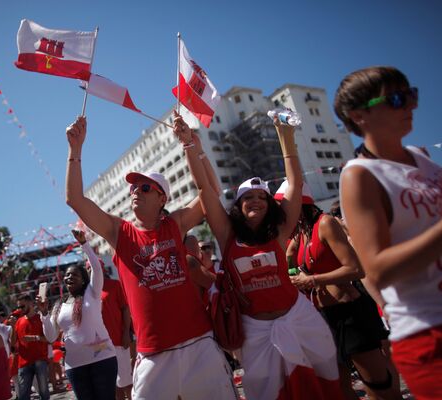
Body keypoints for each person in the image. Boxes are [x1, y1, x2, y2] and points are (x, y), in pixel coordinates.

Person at [65, 114, 238, 399]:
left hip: (199, 347)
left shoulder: (176, 224)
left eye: (145, 188)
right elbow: (75, 199)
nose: (136, 191)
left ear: (162, 199)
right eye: (133, 188)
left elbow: (211, 192)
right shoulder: (119, 232)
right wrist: (75, 149)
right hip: (152, 356)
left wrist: (191, 146)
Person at [179, 112, 343, 399]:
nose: (255, 200)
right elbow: (205, 189)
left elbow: (294, 184)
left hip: (299, 321)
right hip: (255, 332)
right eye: (248, 198)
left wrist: (286, 136)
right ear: (238, 206)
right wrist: (190, 146)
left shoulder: (279, 232)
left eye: (261, 197)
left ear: (270, 204)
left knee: (322, 389)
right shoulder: (227, 235)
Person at [336, 66, 442, 399]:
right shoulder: (359, 175)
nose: (410, 105)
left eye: (411, 95)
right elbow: (377, 269)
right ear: (359, 116)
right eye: (397, 98)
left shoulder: (425, 162)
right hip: (428, 332)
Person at [281, 182, 399, 399]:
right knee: (339, 388)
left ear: (300, 203)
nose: (282, 213)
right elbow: (292, 260)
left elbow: (355, 269)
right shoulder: (301, 233)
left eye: (284, 206)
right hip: (325, 319)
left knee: (378, 386)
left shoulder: (325, 223)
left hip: (349, 313)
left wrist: (313, 280)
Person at [40, 229, 118, 399]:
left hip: (102, 360)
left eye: (74, 274)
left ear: (83, 279)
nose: (69, 277)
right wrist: (44, 314)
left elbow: (96, 268)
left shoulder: (92, 293)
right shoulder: (58, 306)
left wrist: (84, 244)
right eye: (67, 275)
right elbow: (51, 337)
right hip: (75, 367)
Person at [100, 263, 133, 400]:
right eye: (88, 268)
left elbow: (125, 309)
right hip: (100, 345)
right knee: (111, 383)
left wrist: (126, 333)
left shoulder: (114, 285)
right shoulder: (87, 291)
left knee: (126, 381)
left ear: (101, 269)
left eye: (93, 267)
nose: (91, 271)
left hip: (118, 339)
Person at [12, 294, 50, 400]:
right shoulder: (19, 321)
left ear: (31, 303)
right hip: (23, 362)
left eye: (22, 306)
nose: (20, 309)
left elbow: (49, 339)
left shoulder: (40, 318)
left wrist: (34, 338)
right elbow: (13, 342)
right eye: (18, 307)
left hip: (40, 360)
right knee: (23, 395)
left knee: (44, 392)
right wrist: (12, 327)